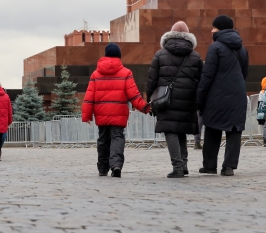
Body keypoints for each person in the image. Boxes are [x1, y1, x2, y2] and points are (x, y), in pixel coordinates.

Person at [82, 43, 150, 178]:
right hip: (118, 114)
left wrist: (87, 115)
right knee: (117, 138)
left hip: (101, 114)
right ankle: (116, 165)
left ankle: (102, 168)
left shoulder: (96, 74)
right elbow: (134, 95)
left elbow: (89, 96)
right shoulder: (126, 73)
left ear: (105, 55)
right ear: (119, 56)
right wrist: (145, 107)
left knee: (103, 140)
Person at [146, 21, 203, 178]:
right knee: (182, 130)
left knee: (171, 131)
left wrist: (150, 99)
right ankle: (183, 165)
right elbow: (201, 81)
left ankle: (177, 167)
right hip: (188, 99)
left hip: (167, 99)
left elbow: (152, 80)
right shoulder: (195, 56)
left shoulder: (160, 55)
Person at [195, 15, 249, 176]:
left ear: (219, 29)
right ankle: (229, 167)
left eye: (213, 28)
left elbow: (208, 74)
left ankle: (210, 166)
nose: (211, 30)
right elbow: (244, 73)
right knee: (234, 130)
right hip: (238, 93)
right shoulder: (242, 48)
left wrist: (200, 95)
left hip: (217, 95)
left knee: (212, 127)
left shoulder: (215, 47)